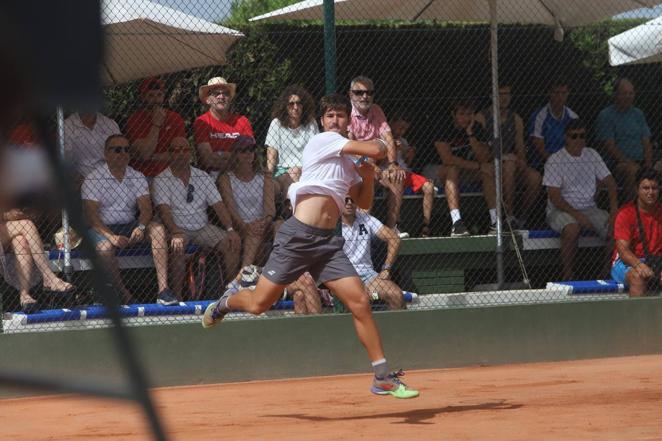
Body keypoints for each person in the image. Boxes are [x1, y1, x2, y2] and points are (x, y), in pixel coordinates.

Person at [202, 93, 419, 399]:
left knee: (359, 302)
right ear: (322, 121)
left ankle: (382, 377)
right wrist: (383, 141)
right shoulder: (322, 141)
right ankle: (225, 303)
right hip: (298, 237)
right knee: (258, 304)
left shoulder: (348, 163)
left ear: (347, 121)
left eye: (341, 116)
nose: (335, 121)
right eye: (330, 116)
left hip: (328, 244)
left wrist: (368, 175)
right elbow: (376, 148)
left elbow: (364, 202)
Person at [82, 134, 174, 306]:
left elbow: (146, 209)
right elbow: (92, 218)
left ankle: (163, 290)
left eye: (126, 149)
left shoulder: (137, 176)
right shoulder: (93, 179)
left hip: (130, 225)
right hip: (101, 228)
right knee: (105, 248)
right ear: (106, 153)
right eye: (117, 149)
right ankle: (124, 294)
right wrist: (112, 237)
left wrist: (140, 227)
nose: (123, 153)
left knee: (158, 230)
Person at [153, 136, 241, 300]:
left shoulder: (202, 176)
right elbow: (164, 212)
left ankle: (228, 292)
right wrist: (175, 232)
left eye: (185, 150)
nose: (181, 154)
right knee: (178, 246)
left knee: (231, 243)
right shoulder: (161, 179)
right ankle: (176, 297)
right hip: (178, 227)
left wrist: (230, 229)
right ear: (170, 154)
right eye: (176, 150)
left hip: (202, 227)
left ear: (191, 153)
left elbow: (219, 206)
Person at [543, 119, 618, 280]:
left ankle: (607, 271)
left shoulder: (592, 154)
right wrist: (579, 216)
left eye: (582, 136)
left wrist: (614, 213)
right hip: (560, 209)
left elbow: (611, 183)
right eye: (574, 136)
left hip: (590, 207)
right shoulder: (555, 160)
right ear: (566, 138)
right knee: (572, 228)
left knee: (617, 227)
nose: (578, 140)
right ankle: (568, 274)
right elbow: (555, 197)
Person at [346, 76, 408, 235]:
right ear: (350, 94)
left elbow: (388, 138)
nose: (364, 96)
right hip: (357, 165)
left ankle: (392, 227)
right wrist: (370, 165)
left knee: (397, 177)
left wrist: (393, 164)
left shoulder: (376, 110)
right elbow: (350, 149)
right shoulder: (346, 113)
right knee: (369, 176)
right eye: (359, 93)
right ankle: (362, 230)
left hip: (379, 162)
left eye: (369, 92)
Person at [478, 84, 541, 228]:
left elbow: (520, 149)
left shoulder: (516, 119)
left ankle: (521, 219)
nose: (504, 98)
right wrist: (504, 157)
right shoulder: (481, 118)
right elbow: (481, 153)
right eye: (500, 94)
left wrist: (521, 160)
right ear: (491, 96)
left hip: (511, 166)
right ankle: (508, 215)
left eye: (507, 94)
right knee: (509, 164)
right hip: (490, 166)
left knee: (535, 178)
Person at [433, 100, 496, 236]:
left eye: (469, 114)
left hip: (464, 170)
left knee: (488, 171)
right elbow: (447, 159)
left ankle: (495, 221)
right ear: (453, 114)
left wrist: (471, 135)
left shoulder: (476, 127)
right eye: (461, 114)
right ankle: (457, 223)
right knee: (452, 169)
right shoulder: (442, 126)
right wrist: (479, 166)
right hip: (435, 171)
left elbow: (484, 159)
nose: (466, 118)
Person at [217, 136, 277, 280]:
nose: (248, 153)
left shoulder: (265, 177)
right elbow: (230, 210)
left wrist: (263, 223)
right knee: (252, 233)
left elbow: (270, 211)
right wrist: (244, 226)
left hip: (263, 224)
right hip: (239, 225)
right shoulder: (226, 178)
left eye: (251, 149)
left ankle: (276, 271)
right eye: (243, 150)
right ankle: (243, 275)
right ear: (236, 154)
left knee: (281, 225)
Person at [0, 208, 75, 313]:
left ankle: (24, 294)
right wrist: (6, 215)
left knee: (20, 242)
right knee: (27, 225)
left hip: (10, 229)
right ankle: (49, 278)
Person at [342, 196, 405, 310]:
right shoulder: (331, 223)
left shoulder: (366, 219)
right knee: (361, 297)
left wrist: (386, 268)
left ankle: (399, 327)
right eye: (345, 200)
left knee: (396, 294)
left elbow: (394, 238)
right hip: (343, 277)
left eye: (353, 199)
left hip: (368, 276)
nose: (349, 203)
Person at [595, 78, 654, 201]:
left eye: (631, 93)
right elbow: (609, 146)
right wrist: (629, 163)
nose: (628, 97)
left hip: (642, 161)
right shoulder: (606, 115)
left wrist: (648, 166)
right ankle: (633, 210)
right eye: (624, 93)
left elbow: (646, 142)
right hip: (618, 163)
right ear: (615, 94)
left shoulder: (638, 114)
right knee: (632, 170)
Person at [611, 168, 662, 297]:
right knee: (638, 277)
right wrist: (639, 265)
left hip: (657, 260)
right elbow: (623, 252)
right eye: (645, 188)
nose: (650, 192)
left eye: (654, 188)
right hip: (627, 262)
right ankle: (638, 317)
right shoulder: (625, 213)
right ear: (637, 190)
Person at [193, 77, 254, 179]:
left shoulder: (242, 121)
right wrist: (237, 158)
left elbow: (250, 156)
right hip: (212, 177)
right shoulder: (202, 122)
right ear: (208, 100)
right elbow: (207, 160)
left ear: (229, 98)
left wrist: (220, 155)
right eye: (216, 93)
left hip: (240, 175)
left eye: (225, 93)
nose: (221, 96)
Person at [126, 77, 187, 179]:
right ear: (143, 97)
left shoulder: (175, 118)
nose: (156, 100)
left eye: (159, 95)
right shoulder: (134, 119)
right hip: (142, 176)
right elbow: (145, 153)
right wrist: (156, 124)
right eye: (151, 95)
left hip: (170, 175)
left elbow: (179, 154)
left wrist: (153, 156)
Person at [265, 85, 319, 199]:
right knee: (294, 172)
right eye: (291, 104)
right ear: (285, 106)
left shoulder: (311, 123)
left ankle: (289, 209)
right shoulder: (277, 124)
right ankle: (291, 208)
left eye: (299, 103)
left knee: (296, 171)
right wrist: (269, 174)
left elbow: (316, 151)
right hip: (282, 170)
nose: (295, 107)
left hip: (307, 170)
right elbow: (272, 152)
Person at [389, 114, 436, 237]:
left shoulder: (403, 140)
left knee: (429, 186)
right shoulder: (382, 138)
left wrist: (407, 152)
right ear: (391, 124)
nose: (401, 131)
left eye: (404, 129)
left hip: (406, 173)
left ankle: (426, 226)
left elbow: (407, 163)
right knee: (398, 179)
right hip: (390, 173)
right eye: (399, 127)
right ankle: (396, 224)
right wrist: (391, 147)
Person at [528, 79, 578, 171]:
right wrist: (556, 163)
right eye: (556, 93)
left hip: (568, 161)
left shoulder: (573, 117)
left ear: (568, 94)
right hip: (543, 163)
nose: (560, 97)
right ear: (549, 93)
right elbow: (539, 146)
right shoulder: (539, 116)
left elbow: (577, 144)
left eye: (563, 93)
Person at [64, 110, 122, 186]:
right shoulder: (67, 125)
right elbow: (65, 161)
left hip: (108, 178)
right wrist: (86, 182)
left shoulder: (110, 124)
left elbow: (120, 155)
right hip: (80, 180)